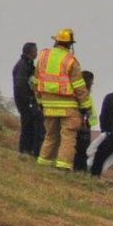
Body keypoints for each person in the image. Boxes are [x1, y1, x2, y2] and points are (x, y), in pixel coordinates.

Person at [32, 29, 83, 170]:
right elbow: (79, 86)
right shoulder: (71, 60)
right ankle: (63, 166)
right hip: (68, 106)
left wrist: (40, 101)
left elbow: (36, 81)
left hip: (48, 104)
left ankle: (43, 163)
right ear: (70, 44)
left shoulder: (43, 56)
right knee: (68, 137)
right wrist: (86, 106)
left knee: (50, 135)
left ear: (56, 41)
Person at [11, 42, 41, 157]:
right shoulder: (22, 65)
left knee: (31, 125)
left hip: (28, 100)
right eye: (35, 50)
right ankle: (24, 151)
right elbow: (20, 85)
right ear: (30, 51)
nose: (37, 52)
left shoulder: (28, 65)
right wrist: (28, 100)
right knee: (27, 125)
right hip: (24, 101)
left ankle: (28, 150)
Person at [68, 71, 96, 173]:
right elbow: (92, 114)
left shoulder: (73, 92)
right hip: (83, 126)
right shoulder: (86, 96)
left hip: (72, 122)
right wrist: (92, 123)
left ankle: (76, 169)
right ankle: (80, 171)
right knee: (82, 152)